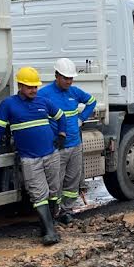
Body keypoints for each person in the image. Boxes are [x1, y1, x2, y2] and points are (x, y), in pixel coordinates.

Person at [0, 67, 61, 246]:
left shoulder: (43, 102)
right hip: (30, 159)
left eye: (35, 87)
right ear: (20, 85)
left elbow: (62, 117)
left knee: (54, 192)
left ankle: (48, 226)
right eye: (30, 87)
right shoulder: (8, 104)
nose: (34, 90)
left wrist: (62, 135)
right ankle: (50, 232)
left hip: (50, 155)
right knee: (38, 194)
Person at [38, 57, 97, 224]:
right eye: (66, 78)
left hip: (75, 144)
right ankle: (52, 213)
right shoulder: (44, 94)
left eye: (71, 78)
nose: (69, 81)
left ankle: (67, 210)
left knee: (72, 180)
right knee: (56, 181)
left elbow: (91, 102)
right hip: (58, 146)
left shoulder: (74, 92)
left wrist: (81, 118)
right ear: (56, 75)